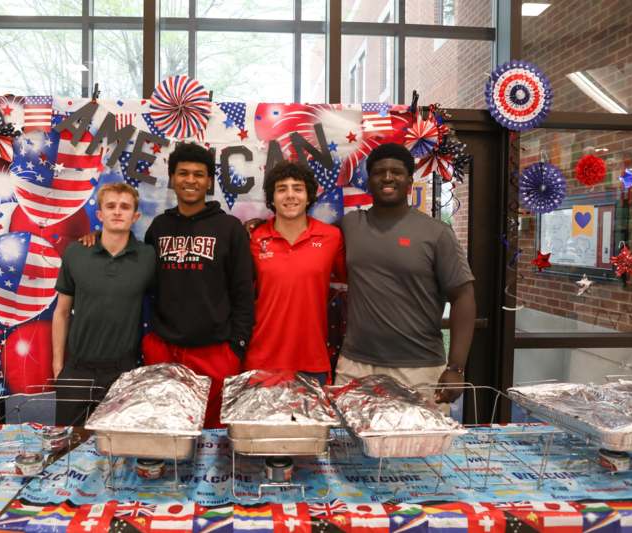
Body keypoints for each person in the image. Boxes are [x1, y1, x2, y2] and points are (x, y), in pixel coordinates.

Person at [335, 143, 476, 406]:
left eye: (396, 172)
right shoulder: (351, 225)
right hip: (355, 366)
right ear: (369, 181)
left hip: (418, 369)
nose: (387, 177)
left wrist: (456, 367)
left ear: (410, 181)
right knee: (349, 445)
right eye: (379, 172)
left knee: (420, 448)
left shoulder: (436, 233)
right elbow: (308, 234)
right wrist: (262, 224)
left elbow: (463, 296)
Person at [142, 143, 254, 428]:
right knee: (167, 430)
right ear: (172, 178)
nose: (190, 180)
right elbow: (146, 284)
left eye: (199, 174)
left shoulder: (229, 228)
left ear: (209, 181)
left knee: (213, 441)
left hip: (216, 352)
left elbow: (243, 291)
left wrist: (235, 349)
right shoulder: (158, 227)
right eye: (183, 173)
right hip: (165, 349)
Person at [52, 182, 155, 426]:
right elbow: (62, 312)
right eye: (110, 206)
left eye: (125, 207)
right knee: (68, 446)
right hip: (77, 370)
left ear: (135, 216)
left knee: (116, 449)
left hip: (123, 371)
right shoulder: (76, 253)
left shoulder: (148, 257)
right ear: (100, 214)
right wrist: (58, 367)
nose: (117, 212)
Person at [246, 161, 345, 386]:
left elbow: (351, 281)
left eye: (297, 188)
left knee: (312, 424)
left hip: (312, 361)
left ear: (309, 196)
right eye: (282, 189)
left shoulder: (331, 237)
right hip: (261, 361)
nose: (290, 195)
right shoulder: (254, 238)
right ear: (272, 198)